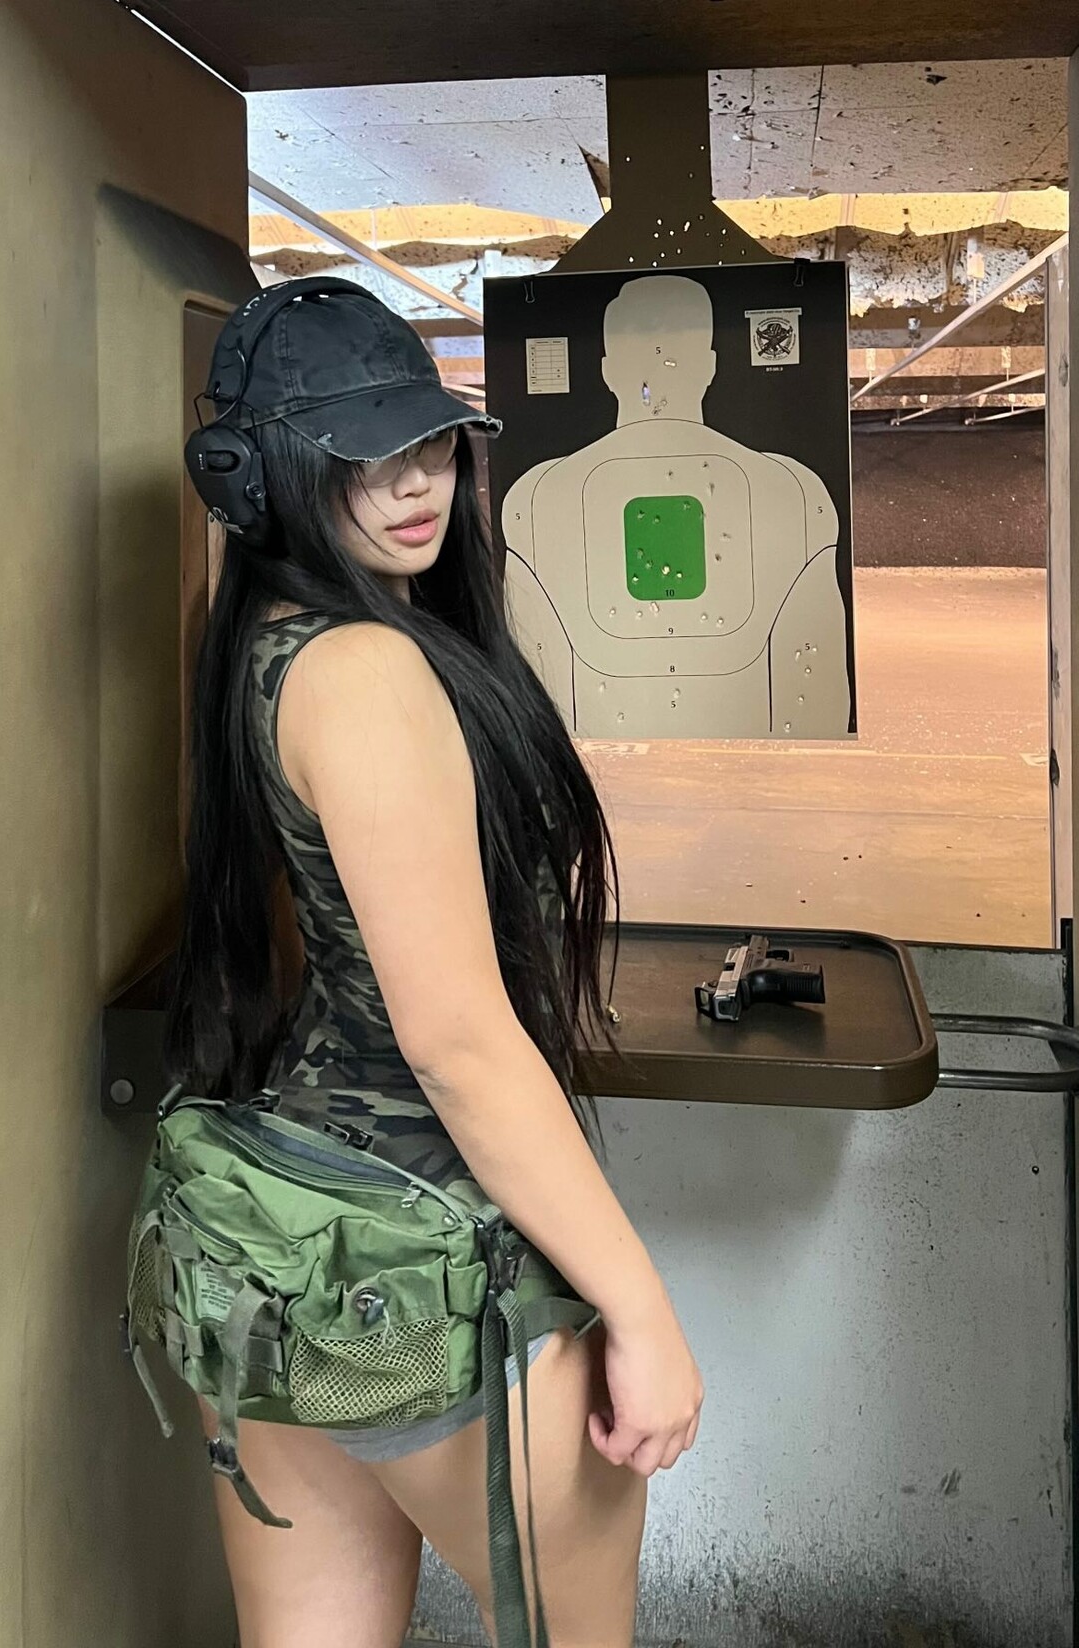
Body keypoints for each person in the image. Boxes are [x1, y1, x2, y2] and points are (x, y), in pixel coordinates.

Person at [165, 280, 703, 1648]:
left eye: (429, 442)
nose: (415, 484)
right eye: (360, 456)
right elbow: (456, 1043)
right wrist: (640, 1310)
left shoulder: (260, 644)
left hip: (269, 1243)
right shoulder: (366, 671)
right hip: (426, 1262)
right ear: (259, 479)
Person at [502, 271, 851, 740]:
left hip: (600, 772)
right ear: (709, 366)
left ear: (607, 370)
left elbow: (532, 684)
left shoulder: (535, 499)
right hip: (746, 770)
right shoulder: (796, 493)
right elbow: (815, 688)